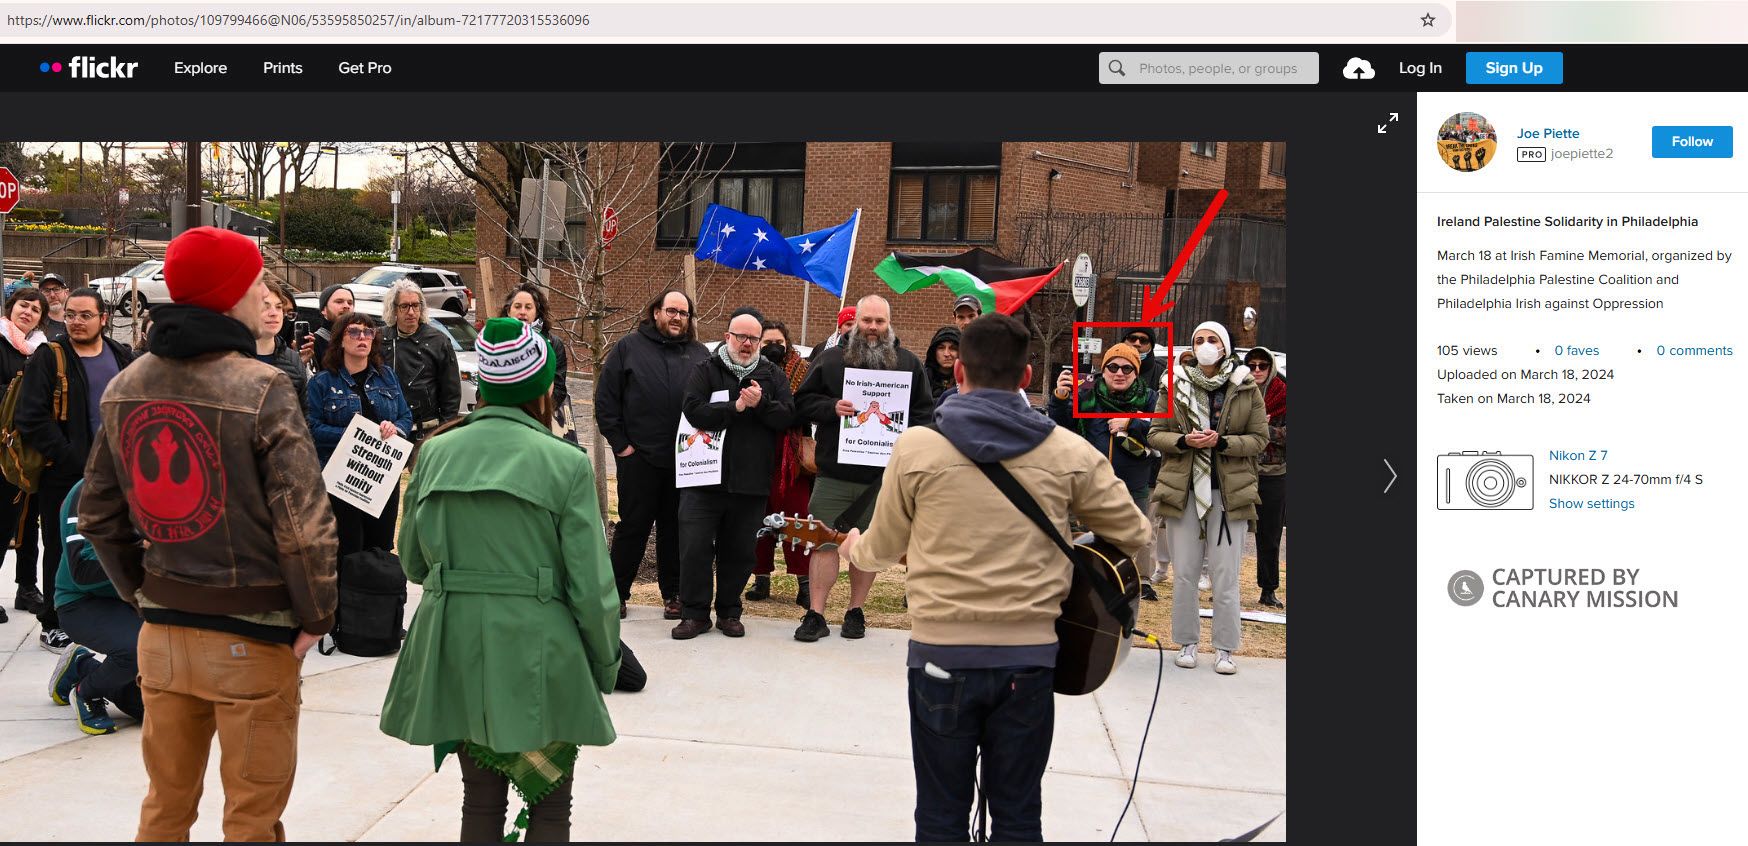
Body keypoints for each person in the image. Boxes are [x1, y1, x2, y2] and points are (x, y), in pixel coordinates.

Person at [838, 313, 1150, 842]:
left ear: (958, 372)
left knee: (940, 815)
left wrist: (852, 546)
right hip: (1028, 659)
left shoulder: (916, 448)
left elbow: (881, 550)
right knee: (1018, 816)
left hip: (941, 654)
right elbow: (1135, 531)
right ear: (1026, 378)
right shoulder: (1068, 452)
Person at [79, 226, 339, 841]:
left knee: (164, 809)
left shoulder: (125, 385)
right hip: (253, 636)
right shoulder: (262, 386)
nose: (263, 294)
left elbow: (96, 514)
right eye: (255, 282)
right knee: (251, 819)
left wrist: (143, 592)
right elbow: (303, 525)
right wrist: (317, 616)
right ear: (230, 295)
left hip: (163, 633)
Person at [380, 317, 621, 844]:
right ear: (543, 388)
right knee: (552, 808)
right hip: (540, 645)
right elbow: (592, 586)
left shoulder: (436, 451)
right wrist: (605, 663)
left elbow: (414, 563)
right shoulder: (566, 463)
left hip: (455, 643)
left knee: (479, 801)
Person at [791, 294, 933, 642]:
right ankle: (816, 614)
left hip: (880, 479)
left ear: (889, 324)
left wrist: (903, 436)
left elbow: (924, 415)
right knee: (824, 543)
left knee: (867, 547)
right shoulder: (830, 360)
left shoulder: (909, 364)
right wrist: (830, 407)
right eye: (866, 321)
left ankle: (855, 611)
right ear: (855, 324)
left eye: (879, 322)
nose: (872, 328)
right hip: (834, 474)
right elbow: (802, 403)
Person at [17, 286, 136, 653]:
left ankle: (111, 604)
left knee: (118, 540)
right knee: (60, 544)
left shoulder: (121, 355)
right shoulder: (49, 357)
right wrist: (71, 457)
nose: (76, 322)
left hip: (119, 474)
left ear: (103, 319)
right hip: (67, 475)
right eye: (70, 315)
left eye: (85, 315)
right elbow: (31, 417)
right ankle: (53, 620)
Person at [1147, 320, 1267, 676]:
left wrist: (1224, 442)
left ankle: (1225, 648)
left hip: (1228, 493)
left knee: (1225, 574)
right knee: (1184, 573)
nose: (1205, 345)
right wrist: (1184, 441)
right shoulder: (1173, 384)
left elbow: (1259, 438)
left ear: (1225, 346)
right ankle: (1186, 641)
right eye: (1199, 339)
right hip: (1184, 492)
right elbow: (1156, 433)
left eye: (1212, 339)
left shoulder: (1245, 385)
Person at [671, 311, 795, 639]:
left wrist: (760, 404)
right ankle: (695, 614)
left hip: (750, 483)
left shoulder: (772, 375)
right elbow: (693, 409)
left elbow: (787, 416)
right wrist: (735, 409)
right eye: (740, 336)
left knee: (739, 552)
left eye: (753, 338)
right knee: (695, 548)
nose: (746, 343)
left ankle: (729, 611)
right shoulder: (706, 369)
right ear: (727, 337)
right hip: (703, 480)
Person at [594, 290, 708, 620]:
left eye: (684, 313)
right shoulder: (628, 349)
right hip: (639, 459)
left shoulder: (699, 354)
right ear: (656, 312)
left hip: (686, 460)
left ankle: (673, 595)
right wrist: (622, 447)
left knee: (676, 530)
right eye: (671, 311)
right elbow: (606, 402)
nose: (677, 318)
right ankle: (617, 593)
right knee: (633, 528)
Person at [307, 312, 414, 565]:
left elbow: (406, 417)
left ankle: (376, 603)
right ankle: (344, 603)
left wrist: (394, 427)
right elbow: (311, 428)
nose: (362, 337)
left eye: (368, 332)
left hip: (380, 479)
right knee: (346, 551)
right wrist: (353, 436)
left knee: (379, 550)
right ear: (340, 341)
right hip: (341, 481)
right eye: (354, 332)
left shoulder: (386, 375)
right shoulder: (322, 382)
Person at [50, 478, 144, 735]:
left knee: (156, 710)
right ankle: (87, 691)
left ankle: (79, 665)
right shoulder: (88, 491)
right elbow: (82, 569)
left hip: (138, 601)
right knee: (137, 650)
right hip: (82, 601)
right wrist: (145, 553)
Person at [748, 320, 816, 607]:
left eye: (779, 343)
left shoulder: (804, 370)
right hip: (759, 454)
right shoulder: (750, 371)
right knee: (758, 519)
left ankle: (804, 583)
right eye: (767, 343)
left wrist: (779, 411)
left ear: (788, 344)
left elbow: (807, 407)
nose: (774, 348)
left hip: (793, 459)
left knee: (797, 519)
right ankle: (760, 578)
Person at [0, 287, 50, 623]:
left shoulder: (41, 350)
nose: (28, 312)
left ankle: (27, 586)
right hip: (3, 448)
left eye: (35, 309)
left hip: (31, 449)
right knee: (1, 519)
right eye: (23, 305)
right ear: (10, 308)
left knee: (30, 521)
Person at [386, 280, 461, 442]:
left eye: (415, 305)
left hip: (427, 433)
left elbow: (451, 396)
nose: (411, 312)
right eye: (404, 306)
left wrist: (444, 434)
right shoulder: (381, 339)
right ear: (394, 310)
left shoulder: (439, 341)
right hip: (388, 434)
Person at [1245, 346, 1287, 608]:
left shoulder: (1284, 394)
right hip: (1239, 471)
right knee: (1231, 534)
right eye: (1252, 365)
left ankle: (1268, 589)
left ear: (1271, 367)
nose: (1257, 370)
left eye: (1262, 365)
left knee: (1270, 534)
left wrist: (1264, 429)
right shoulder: (1237, 392)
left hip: (1273, 472)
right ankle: (1226, 585)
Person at [503, 283, 571, 438]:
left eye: (528, 307)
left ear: (537, 312)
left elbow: (559, 389)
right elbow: (484, 388)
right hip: (504, 422)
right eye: (518, 306)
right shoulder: (496, 342)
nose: (522, 312)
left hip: (538, 423)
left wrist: (539, 413)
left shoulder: (553, 344)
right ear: (508, 310)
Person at [254, 281, 311, 412]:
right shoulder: (229, 358)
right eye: (265, 306)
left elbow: (305, 416)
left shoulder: (294, 361)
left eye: (278, 307)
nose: (274, 313)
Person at [310, 283, 356, 367]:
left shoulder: (363, 338)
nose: (346, 306)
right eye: (339, 302)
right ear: (324, 309)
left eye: (350, 303)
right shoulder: (315, 343)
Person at [923, 325, 961, 402]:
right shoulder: (923, 378)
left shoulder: (967, 379)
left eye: (953, 348)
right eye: (941, 348)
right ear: (934, 352)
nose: (946, 354)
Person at [36, 273, 69, 339]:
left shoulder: (76, 320)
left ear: (66, 292)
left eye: (56, 289)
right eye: (46, 291)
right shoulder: (36, 323)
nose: (52, 295)